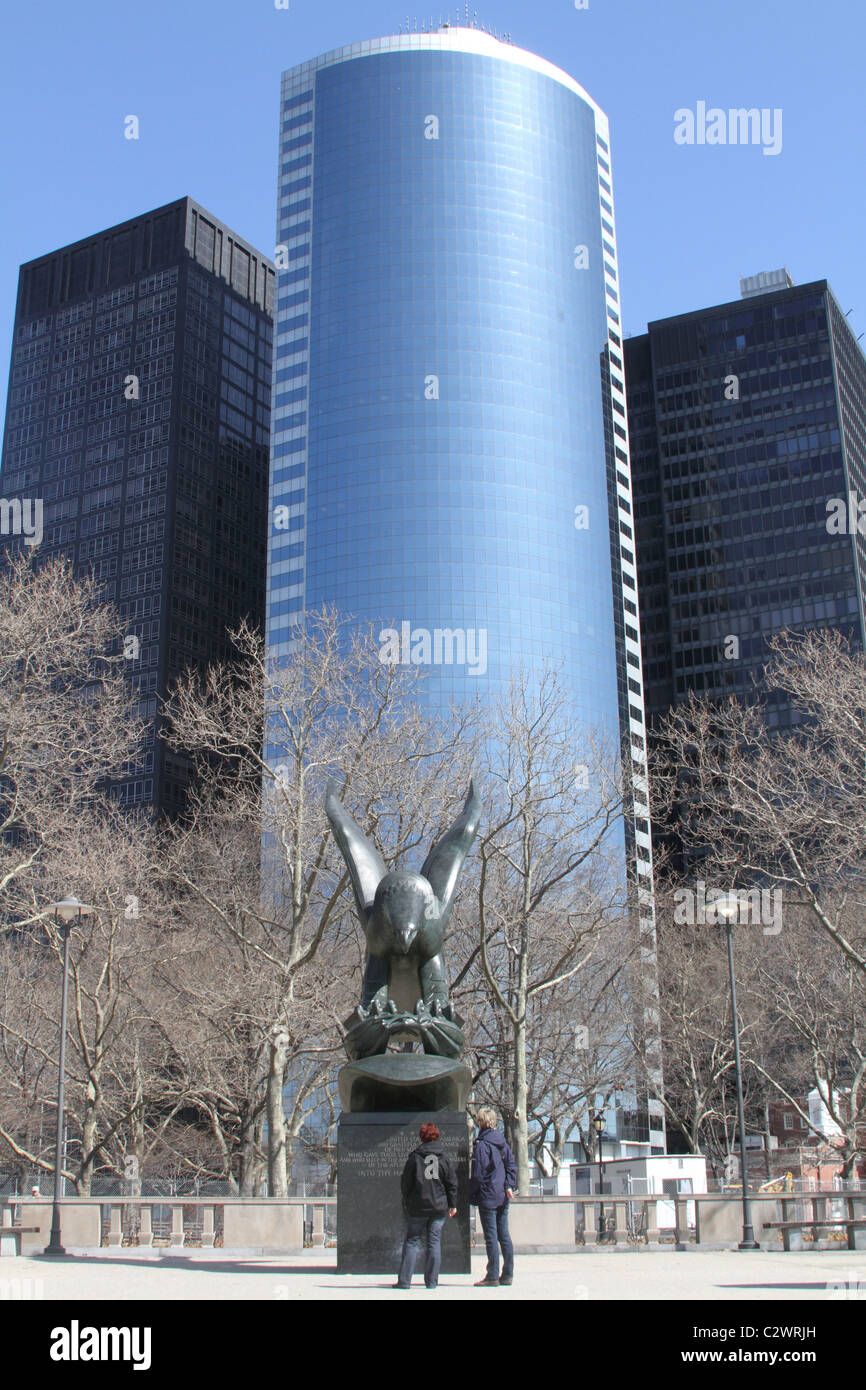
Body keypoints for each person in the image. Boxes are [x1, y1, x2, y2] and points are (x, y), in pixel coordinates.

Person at [395, 1122, 457, 1289]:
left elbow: (406, 1182)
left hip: (418, 1207)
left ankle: (405, 1281)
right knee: (434, 1242)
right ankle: (431, 1282)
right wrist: (453, 1204)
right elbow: (451, 1182)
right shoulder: (443, 1157)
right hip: (438, 1207)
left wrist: (407, 1199)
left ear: (421, 1137)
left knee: (412, 1241)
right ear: (436, 1136)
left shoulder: (415, 1157)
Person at [469, 1106, 517, 1286]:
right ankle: (508, 1274)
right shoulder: (502, 1143)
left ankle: (492, 1275)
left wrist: (469, 1192)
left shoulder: (482, 1145)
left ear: (480, 1122)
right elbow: (512, 1166)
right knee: (504, 1234)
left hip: (488, 1195)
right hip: (502, 1195)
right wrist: (508, 1185)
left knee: (491, 1236)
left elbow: (478, 1174)